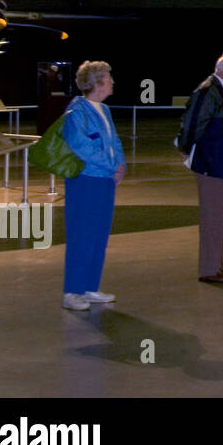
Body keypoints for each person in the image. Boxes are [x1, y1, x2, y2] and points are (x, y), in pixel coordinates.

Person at [61, 61, 126, 311]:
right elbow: (81, 146)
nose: (112, 83)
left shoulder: (104, 110)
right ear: (97, 83)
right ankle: (72, 291)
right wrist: (112, 165)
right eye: (109, 78)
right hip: (85, 180)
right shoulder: (76, 111)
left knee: (99, 235)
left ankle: (89, 287)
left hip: (104, 181)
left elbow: (115, 141)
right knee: (82, 234)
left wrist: (120, 165)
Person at [176, 52, 223, 283]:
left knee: (221, 216)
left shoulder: (222, 90)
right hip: (213, 163)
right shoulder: (209, 90)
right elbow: (193, 122)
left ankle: (217, 263)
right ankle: (209, 268)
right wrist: (186, 149)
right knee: (212, 216)